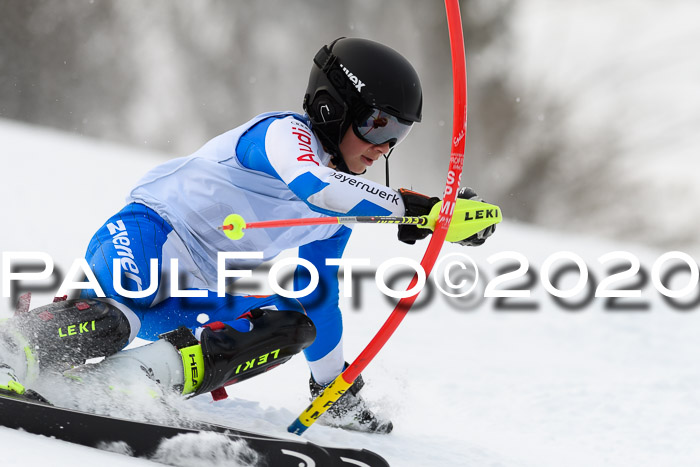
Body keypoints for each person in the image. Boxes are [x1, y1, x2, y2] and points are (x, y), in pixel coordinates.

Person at [0, 37, 494, 433]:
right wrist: (421, 211)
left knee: (294, 326)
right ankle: (11, 348)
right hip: (146, 236)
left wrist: (334, 393)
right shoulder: (283, 135)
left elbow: (317, 296)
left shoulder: (344, 206)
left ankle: (128, 383)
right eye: (377, 125)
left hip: (197, 291)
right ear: (331, 107)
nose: (382, 148)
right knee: (127, 303)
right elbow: (314, 186)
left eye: (397, 136)